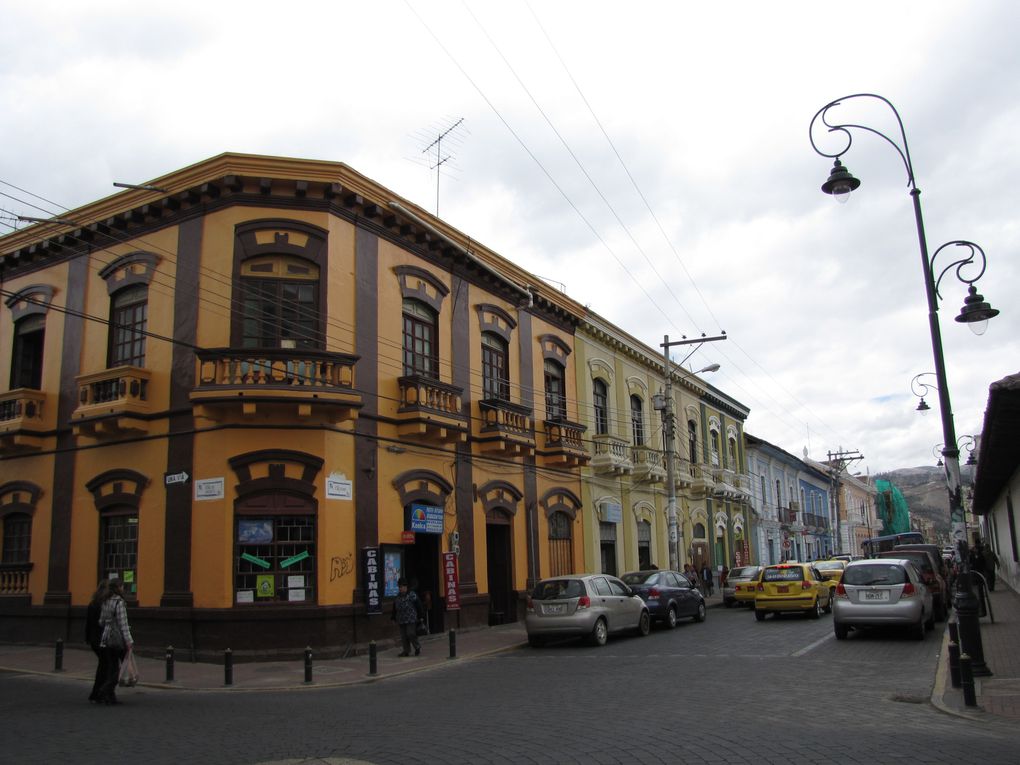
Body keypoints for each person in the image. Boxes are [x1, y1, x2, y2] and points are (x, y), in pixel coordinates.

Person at [95, 578, 133, 704]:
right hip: (117, 640)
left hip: (105, 638)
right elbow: (123, 624)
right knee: (120, 669)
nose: (123, 588)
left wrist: (109, 625)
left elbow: (101, 621)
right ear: (118, 587)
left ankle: (110, 697)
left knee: (111, 667)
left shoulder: (105, 601)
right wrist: (129, 641)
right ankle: (105, 689)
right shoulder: (119, 602)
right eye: (122, 586)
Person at [85, 580, 110, 703]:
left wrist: (87, 638)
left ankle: (97, 693)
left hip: (94, 639)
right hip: (102, 639)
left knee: (103, 666)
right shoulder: (104, 605)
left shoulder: (92, 603)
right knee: (106, 667)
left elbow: (88, 624)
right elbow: (104, 623)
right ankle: (100, 693)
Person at [391, 577, 422, 657]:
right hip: (401, 619)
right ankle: (406, 651)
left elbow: (419, 605)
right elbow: (394, 608)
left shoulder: (412, 595)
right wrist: (393, 617)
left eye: (402, 587)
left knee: (410, 633)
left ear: (406, 587)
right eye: (399, 587)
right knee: (403, 636)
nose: (400, 588)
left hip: (411, 618)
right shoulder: (397, 597)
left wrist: (421, 616)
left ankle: (417, 646)